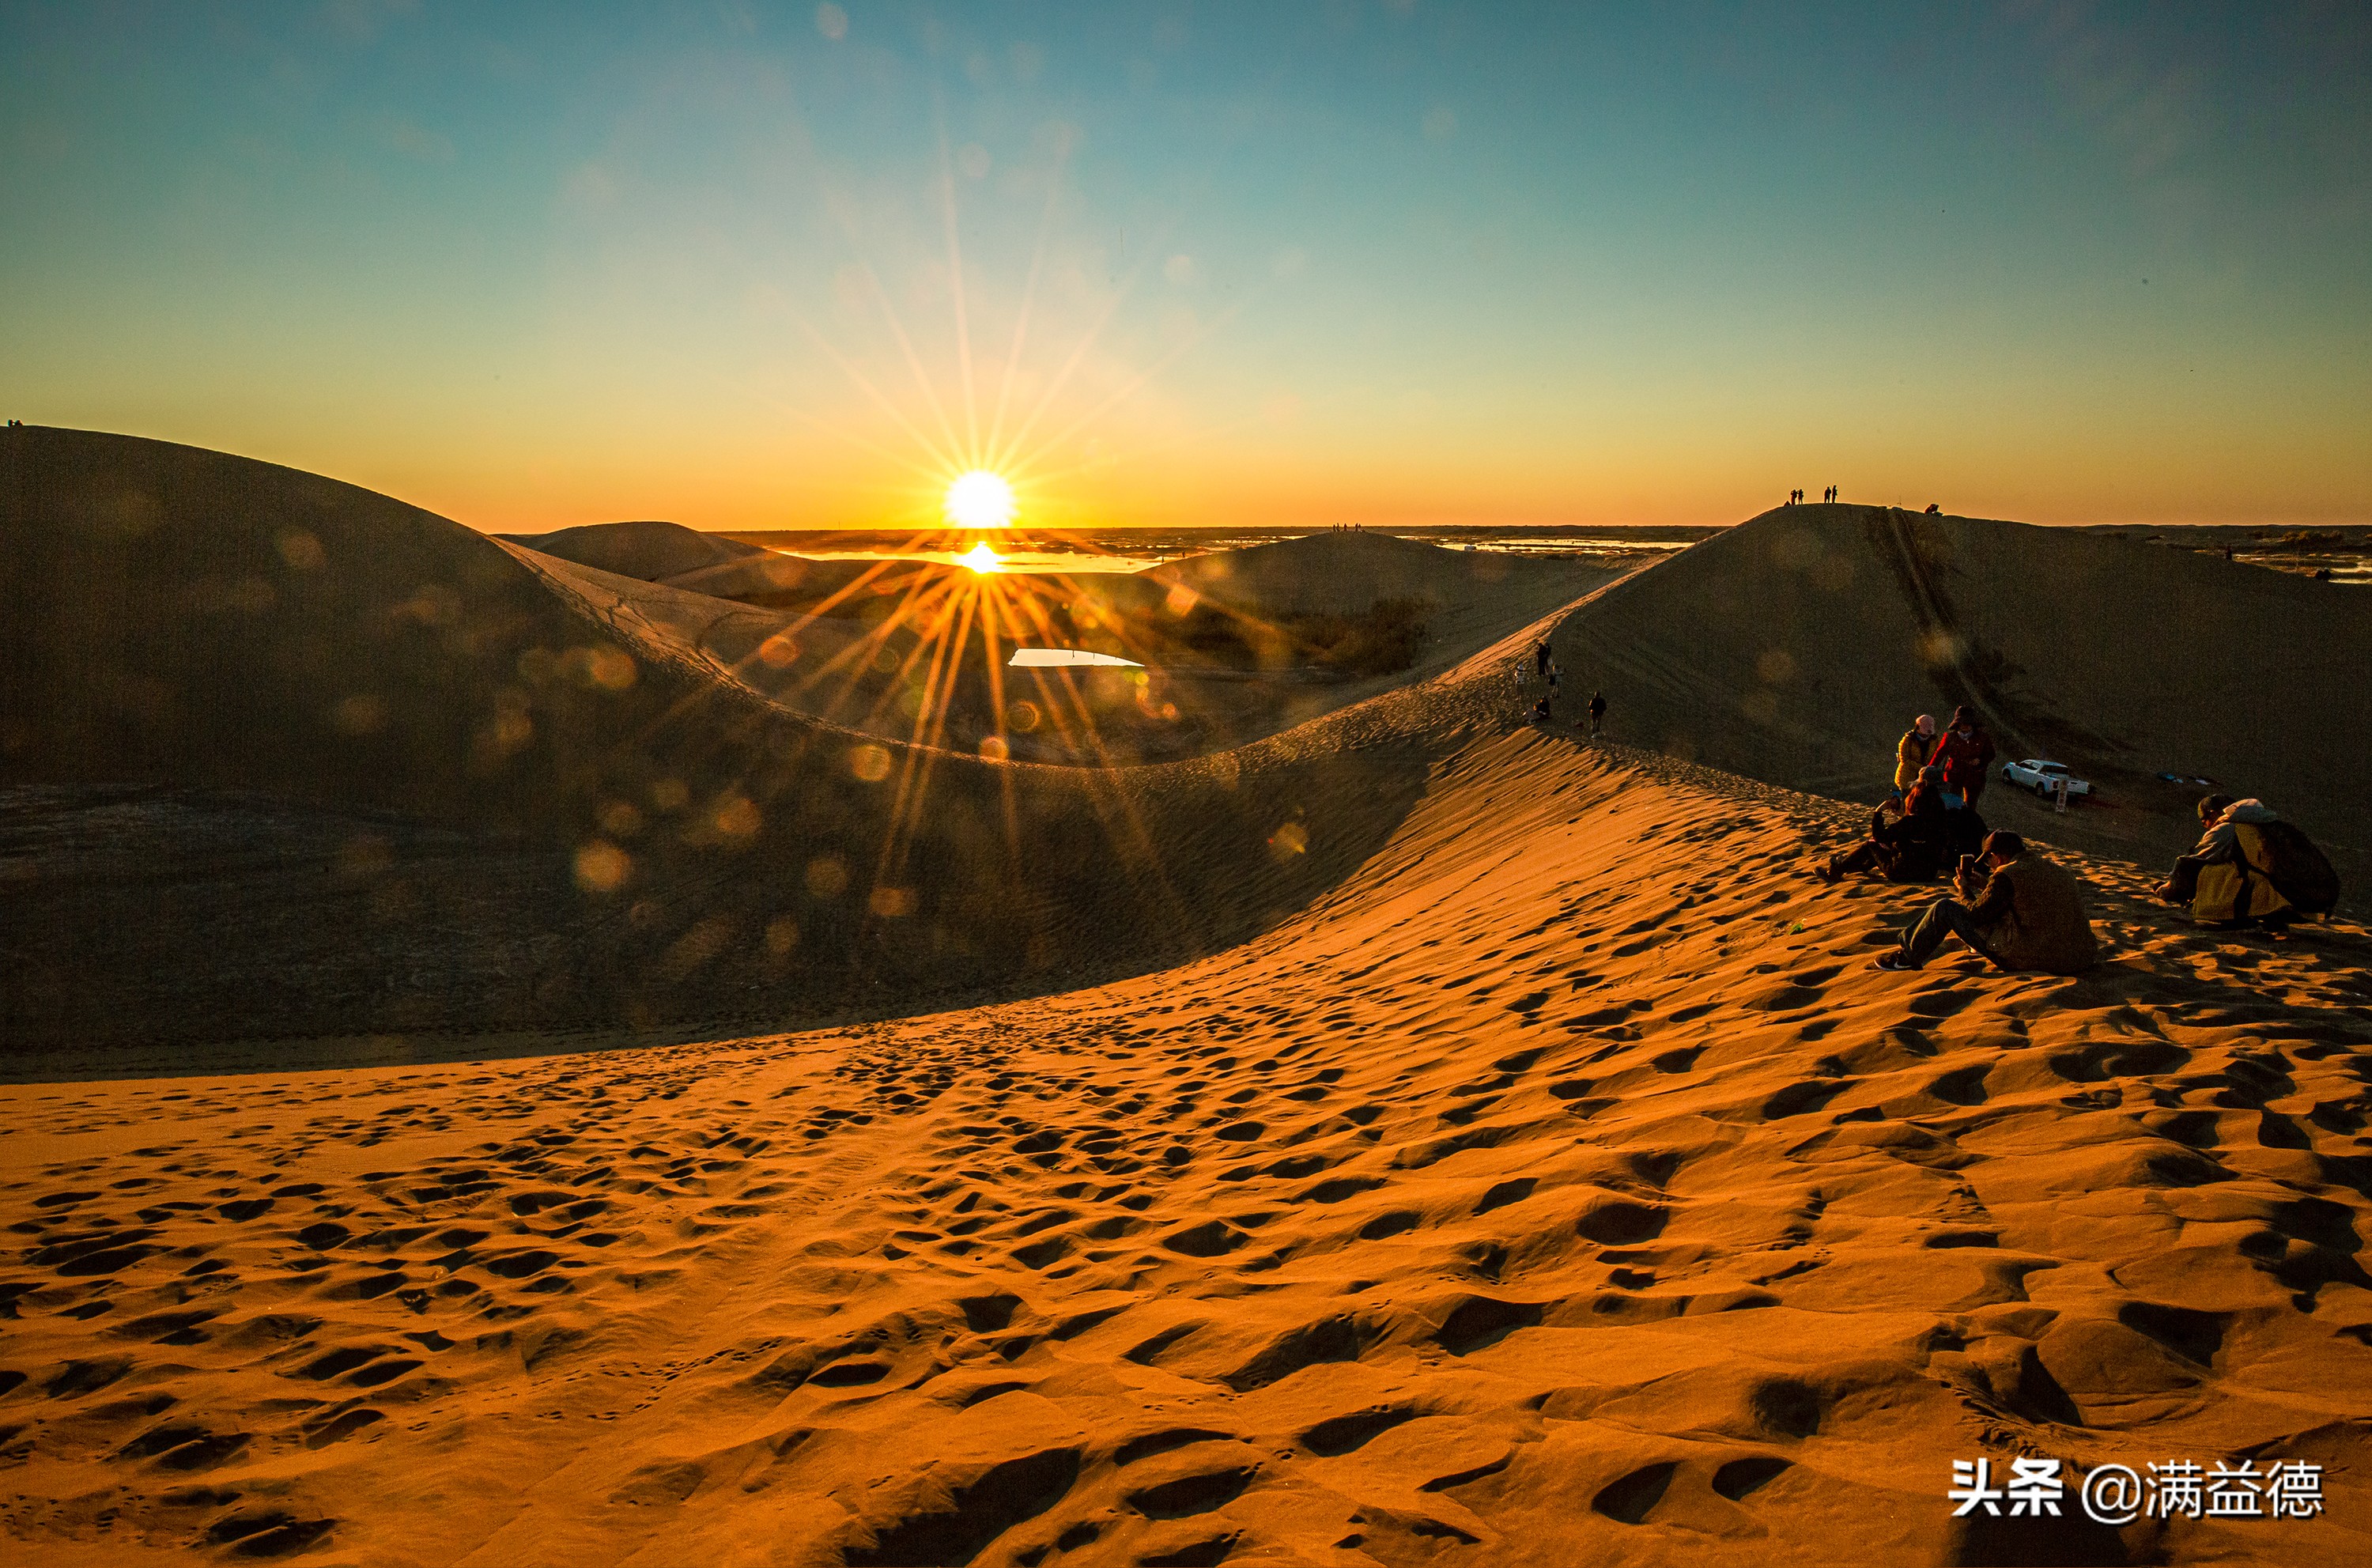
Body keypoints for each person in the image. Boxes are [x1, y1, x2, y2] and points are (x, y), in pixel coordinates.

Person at [1878, 831, 2096, 973]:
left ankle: (1906, 957)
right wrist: (1986, 885)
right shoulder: (2058, 871)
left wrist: (1963, 889)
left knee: (1943, 908)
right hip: (2078, 958)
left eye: (1989, 860)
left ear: (1997, 857)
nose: (1990, 866)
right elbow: (2030, 900)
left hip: (2035, 959)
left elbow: (1975, 916)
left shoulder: (2007, 875)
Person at [2159, 795, 2339, 924]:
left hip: (2276, 892)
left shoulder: (2227, 828)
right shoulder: (2267, 825)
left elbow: (2192, 861)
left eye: (2204, 821)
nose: (2205, 826)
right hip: (2301, 895)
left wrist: (2170, 889)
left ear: (2213, 814)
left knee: (2210, 869)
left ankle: (2227, 915)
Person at [1822, 765, 1950, 882]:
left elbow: (1879, 837)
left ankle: (1836, 871)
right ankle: (1857, 866)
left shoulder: (1910, 822)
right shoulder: (1942, 819)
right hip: (1928, 874)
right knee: (1886, 848)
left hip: (1901, 874)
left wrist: (1878, 813)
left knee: (1870, 845)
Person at [1892, 713, 1937, 799]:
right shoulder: (1907, 740)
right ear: (1917, 728)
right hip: (1907, 777)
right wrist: (1922, 768)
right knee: (1907, 801)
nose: (1926, 735)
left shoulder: (1934, 740)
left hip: (1925, 778)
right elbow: (1904, 759)